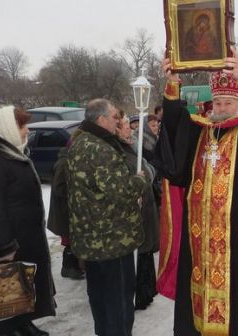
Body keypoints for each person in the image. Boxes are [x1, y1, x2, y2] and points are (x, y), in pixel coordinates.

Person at [157, 50, 238, 336]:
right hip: (198, 238)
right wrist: (172, 83)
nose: (223, 107)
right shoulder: (201, 131)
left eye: (230, 102)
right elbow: (174, 128)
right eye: (220, 102)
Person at [0, 106, 55, 336]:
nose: (27, 130)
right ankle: (8, 329)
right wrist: (5, 246)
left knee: (21, 287)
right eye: (22, 125)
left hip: (23, 236)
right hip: (6, 243)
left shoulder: (10, 153)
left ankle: (22, 324)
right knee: (1, 295)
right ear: (6, 128)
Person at [66, 99, 147, 336]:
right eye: (114, 117)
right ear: (101, 120)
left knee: (100, 299)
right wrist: (141, 179)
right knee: (118, 303)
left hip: (92, 240)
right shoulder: (100, 149)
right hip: (112, 240)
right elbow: (122, 190)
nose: (118, 121)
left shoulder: (80, 141)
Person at [116, 112, 159, 311]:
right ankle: (138, 293)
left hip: (146, 203)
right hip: (134, 207)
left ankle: (146, 291)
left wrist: (146, 174)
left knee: (145, 249)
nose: (129, 128)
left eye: (128, 124)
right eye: (124, 125)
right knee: (139, 250)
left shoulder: (132, 144)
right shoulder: (117, 150)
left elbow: (148, 168)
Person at [47, 134, 85, 280]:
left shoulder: (71, 160)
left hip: (69, 209)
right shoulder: (64, 163)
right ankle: (69, 268)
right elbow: (59, 188)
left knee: (72, 240)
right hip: (64, 211)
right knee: (69, 241)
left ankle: (73, 267)